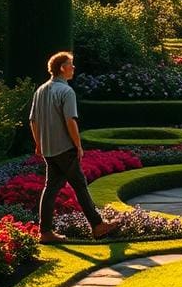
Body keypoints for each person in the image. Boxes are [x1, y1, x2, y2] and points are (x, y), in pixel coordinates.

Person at [29, 51, 121, 244]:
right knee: (80, 186)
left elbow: (33, 121)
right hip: (65, 148)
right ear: (62, 68)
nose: (73, 67)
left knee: (51, 188)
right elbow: (71, 121)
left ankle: (45, 232)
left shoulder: (41, 90)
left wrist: (38, 143)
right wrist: (78, 145)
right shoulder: (66, 91)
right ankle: (97, 225)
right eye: (71, 64)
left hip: (48, 149)